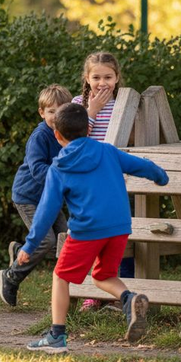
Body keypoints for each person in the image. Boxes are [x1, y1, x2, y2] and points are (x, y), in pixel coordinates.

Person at [18, 103, 168, 353]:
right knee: (102, 275)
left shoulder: (59, 167)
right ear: (87, 130)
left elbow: (46, 211)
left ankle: (57, 336)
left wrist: (31, 244)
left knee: (61, 276)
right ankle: (128, 299)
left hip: (87, 231)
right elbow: (140, 165)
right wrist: (160, 176)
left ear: (57, 134)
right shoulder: (107, 151)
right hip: (120, 227)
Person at [0, 84, 73, 307]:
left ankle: (20, 251)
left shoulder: (67, 134)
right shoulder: (40, 136)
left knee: (67, 241)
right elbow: (37, 168)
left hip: (51, 199)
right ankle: (11, 277)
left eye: (61, 110)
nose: (56, 116)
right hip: (29, 196)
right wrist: (61, 178)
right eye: (51, 111)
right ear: (42, 113)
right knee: (45, 240)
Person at [71, 51, 134, 311]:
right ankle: (91, 294)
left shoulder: (125, 104)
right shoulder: (77, 104)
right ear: (87, 78)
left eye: (108, 76)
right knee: (91, 237)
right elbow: (74, 140)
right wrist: (92, 110)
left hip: (117, 180)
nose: (102, 82)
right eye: (96, 77)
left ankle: (124, 292)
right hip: (88, 182)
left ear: (117, 78)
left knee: (122, 236)